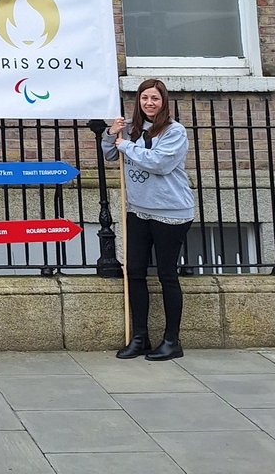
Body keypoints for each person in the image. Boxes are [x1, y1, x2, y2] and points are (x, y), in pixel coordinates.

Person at [103, 78, 195, 362]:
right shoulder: (130, 131)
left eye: (154, 98)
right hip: (137, 210)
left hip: (170, 212)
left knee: (167, 275)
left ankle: (171, 341)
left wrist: (125, 146)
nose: (149, 103)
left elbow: (160, 163)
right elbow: (109, 155)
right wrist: (111, 134)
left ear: (163, 102)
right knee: (135, 273)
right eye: (144, 98)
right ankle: (140, 337)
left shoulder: (174, 131)